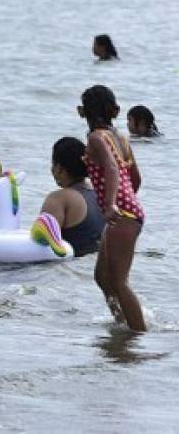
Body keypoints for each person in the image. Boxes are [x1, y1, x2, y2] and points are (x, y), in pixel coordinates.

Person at [79, 85, 146, 332]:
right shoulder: (121, 138)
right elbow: (136, 179)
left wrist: (110, 204)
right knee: (102, 277)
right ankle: (122, 324)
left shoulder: (96, 138)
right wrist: (124, 201)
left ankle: (139, 336)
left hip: (121, 215)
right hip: (128, 213)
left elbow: (112, 169)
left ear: (82, 112)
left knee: (118, 281)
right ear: (113, 111)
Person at [40, 137, 104, 257]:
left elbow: (42, 245)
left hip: (70, 269)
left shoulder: (58, 199)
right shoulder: (101, 193)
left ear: (59, 168)